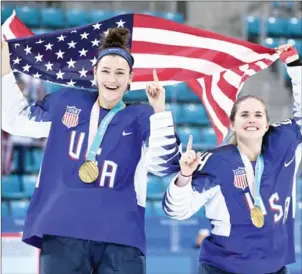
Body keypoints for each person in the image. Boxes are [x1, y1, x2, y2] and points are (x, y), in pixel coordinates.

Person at [2, 28, 180, 274]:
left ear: (130, 78)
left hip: (121, 236)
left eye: (120, 73)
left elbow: (163, 165)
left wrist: (160, 111)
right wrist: (3, 68)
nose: (112, 79)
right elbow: (14, 120)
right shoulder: (68, 103)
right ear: (95, 72)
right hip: (64, 229)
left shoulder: (142, 116)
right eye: (105, 71)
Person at [162, 44, 302, 274]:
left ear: (267, 124)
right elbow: (177, 211)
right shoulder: (217, 162)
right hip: (223, 269)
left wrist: (295, 67)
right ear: (232, 124)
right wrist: (185, 176)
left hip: (274, 268)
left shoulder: (283, 145)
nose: (252, 119)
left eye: (258, 114)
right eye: (244, 114)